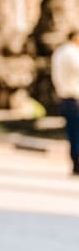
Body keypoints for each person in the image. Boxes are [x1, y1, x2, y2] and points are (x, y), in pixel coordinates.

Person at [52, 27, 79, 178]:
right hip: (75, 96)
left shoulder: (60, 52)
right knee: (76, 132)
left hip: (64, 96)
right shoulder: (72, 53)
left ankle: (75, 162)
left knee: (73, 132)